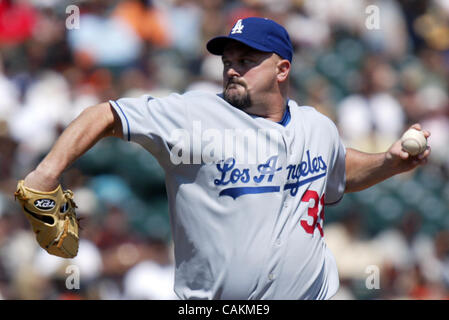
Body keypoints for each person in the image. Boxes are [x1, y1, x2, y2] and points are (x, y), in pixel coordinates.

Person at [20, 17, 431, 299]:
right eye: (228, 61)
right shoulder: (193, 115)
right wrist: (45, 173)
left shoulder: (316, 127)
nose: (233, 69)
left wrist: (390, 162)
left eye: (247, 61)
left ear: (282, 69)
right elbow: (105, 114)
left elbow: (338, 169)